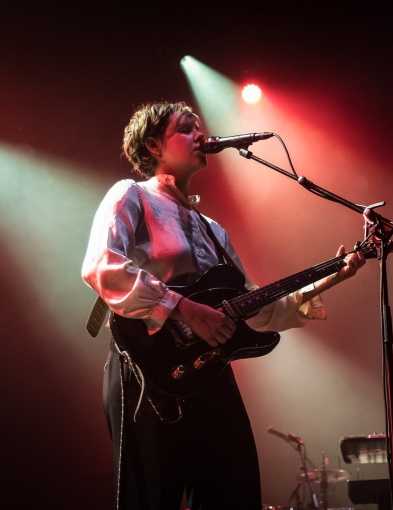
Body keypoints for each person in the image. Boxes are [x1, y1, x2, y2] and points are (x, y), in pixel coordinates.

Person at [81, 101, 366, 509]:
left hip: (210, 375)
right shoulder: (131, 195)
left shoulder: (211, 229)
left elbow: (255, 307)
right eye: (186, 129)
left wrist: (336, 273)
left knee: (235, 490)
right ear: (153, 145)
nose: (202, 135)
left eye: (200, 127)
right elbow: (102, 267)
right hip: (145, 370)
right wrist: (183, 308)